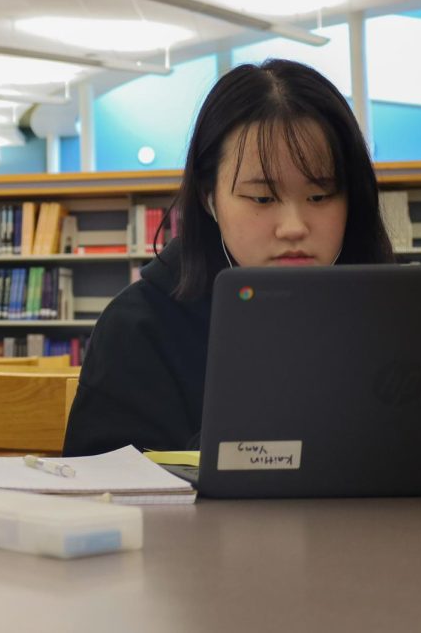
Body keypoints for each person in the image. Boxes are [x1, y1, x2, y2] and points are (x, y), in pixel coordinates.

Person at [63, 59, 395, 456]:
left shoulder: (395, 316)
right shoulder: (139, 328)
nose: (293, 226)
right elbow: (105, 493)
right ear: (210, 199)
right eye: (262, 198)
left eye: (320, 196)